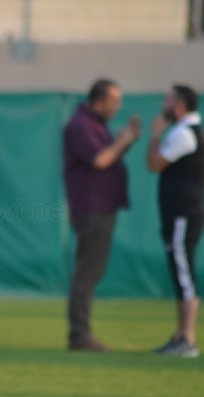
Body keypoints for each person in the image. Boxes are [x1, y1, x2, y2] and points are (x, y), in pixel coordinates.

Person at [63, 79, 141, 352]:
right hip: (92, 209)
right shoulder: (81, 125)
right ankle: (80, 336)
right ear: (99, 102)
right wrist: (125, 141)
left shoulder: (93, 124)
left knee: (91, 272)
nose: (118, 107)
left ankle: (80, 334)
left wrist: (125, 142)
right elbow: (100, 160)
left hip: (101, 208)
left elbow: (108, 156)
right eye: (114, 101)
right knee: (87, 273)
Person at [147, 84, 204, 358]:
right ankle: (180, 336)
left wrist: (155, 136)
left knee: (184, 275)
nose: (164, 104)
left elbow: (154, 164)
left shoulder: (185, 133)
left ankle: (188, 339)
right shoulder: (184, 131)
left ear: (180, 106)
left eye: (168, 100)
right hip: (179, 215)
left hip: (184, 214)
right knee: (179, 273)